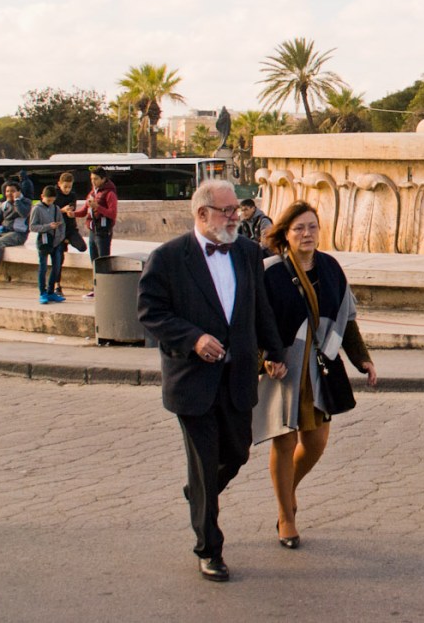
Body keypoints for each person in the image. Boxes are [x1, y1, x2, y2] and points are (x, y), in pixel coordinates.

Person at [137, 179, 286, 583]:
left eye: (236, 209)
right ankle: (209, 548)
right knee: (203, 464)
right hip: (192, 381)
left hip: (238, 376)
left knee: (237, 453)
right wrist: (194, 339)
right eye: (227, 211)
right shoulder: (167, 258)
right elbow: (150, 313)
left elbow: (260, 308)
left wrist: (274, 352)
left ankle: (199, 495)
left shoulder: (249, 253)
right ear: (202, 214)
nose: (235, 216)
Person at [256, 201, 376, 549]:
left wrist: (362, 359)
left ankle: (287, 491)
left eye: (312, 227)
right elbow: (256, 322)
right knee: (285, 439)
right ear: (285, 234)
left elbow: (346, 316)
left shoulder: (331, 268)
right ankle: (286, 517)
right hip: (284, 367)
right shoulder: (270, 272)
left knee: (316, 443)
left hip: (321, 365)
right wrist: (265, 358)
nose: (306, 234)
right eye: (298, 229)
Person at [73, 167, 118, 299]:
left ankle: (106, 289)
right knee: (94, 261)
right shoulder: (93, 193)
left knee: (103, 261)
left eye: (96, 179)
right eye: (92, 179)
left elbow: (112, 213)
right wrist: (72, 214)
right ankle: (97, 288)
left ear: (103, 179)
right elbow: (84, 210)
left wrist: (98, 207)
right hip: (93, 230)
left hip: (103, 232)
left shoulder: (110, 194)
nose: (93, 181)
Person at [29, 185, 66, 303]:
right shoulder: (37, 209)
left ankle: (51, 291)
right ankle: (42, 292)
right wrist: (47, 227)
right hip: (44, 241)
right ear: (42, 197)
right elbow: (33, 227)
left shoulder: (55, 208)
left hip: (56, 242)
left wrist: (60, 237)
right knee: (43, 267)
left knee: (56, 267)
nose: (50, 202)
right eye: (48, 200)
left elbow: (62, 224)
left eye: (52, 200)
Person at [52, 172, 86, 298]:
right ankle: (57, 285)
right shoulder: (54, 194)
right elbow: (48, 211)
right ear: (59, 184)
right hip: (58, 231)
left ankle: (67, 241)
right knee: (59, 258)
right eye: (65, 187)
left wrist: (71, 212)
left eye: (69, 187)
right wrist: (61, 210)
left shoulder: (72, 195)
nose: (67, 190)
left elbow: (72, 209)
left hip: (70, 229)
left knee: (82, 247)